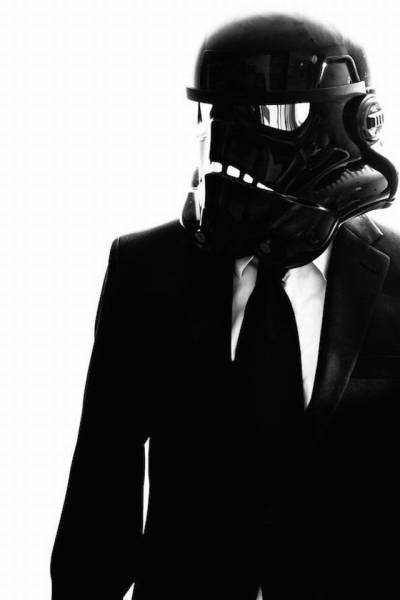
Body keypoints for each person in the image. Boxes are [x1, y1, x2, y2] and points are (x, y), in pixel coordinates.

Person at [50, 13, 400, 600]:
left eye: (273, 114)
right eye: (217, 115)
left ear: (351, 124)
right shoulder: (146, 267)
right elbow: (102, 476)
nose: (231, 143)